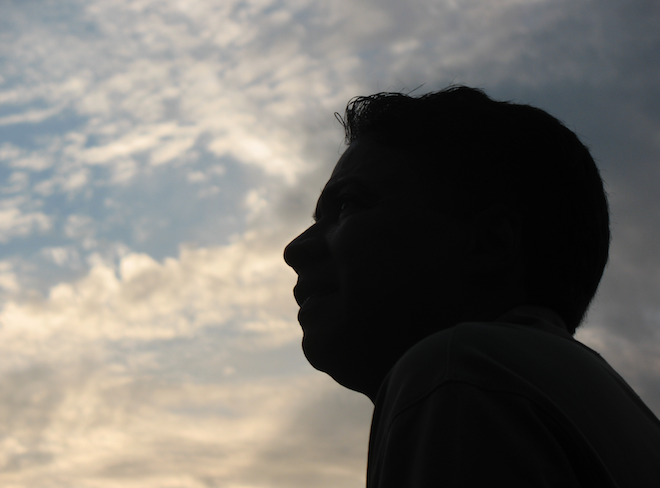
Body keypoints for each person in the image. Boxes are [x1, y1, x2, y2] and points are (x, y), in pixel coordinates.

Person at [283, 85, 660, 487]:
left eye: (349, 205)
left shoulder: (459, 370)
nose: (296, 248)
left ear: (488, 243)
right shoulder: (606, 414)